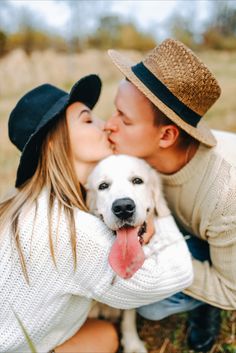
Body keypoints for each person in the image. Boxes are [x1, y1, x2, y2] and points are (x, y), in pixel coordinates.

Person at [0, 74, 193, 353]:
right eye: (89, 120)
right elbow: (178, 274)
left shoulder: (36, 204)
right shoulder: (71, 232)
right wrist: (158, 208)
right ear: (55, 143)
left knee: (104, 336)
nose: (107, 126)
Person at [105, 38, 236, 352]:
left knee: (153, 305)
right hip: (200, 228)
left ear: (166, 135)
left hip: (227, 251)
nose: (109, 126)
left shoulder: (225, 193)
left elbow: (232, 290)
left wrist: (158, 245)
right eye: (115, 112)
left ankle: (204, 308)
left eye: (124, 118)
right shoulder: (138, 156)